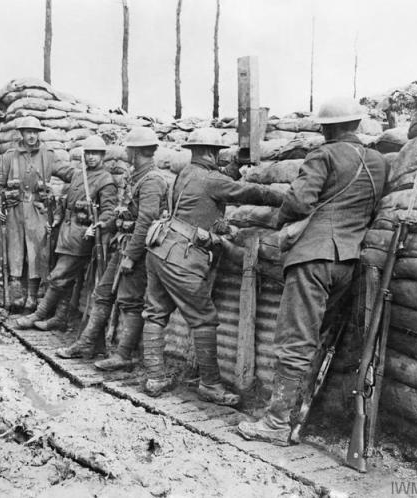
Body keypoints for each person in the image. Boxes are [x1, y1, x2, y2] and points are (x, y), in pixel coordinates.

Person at [237, 97, 388, 446]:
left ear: (326, 128)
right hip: (349, 262)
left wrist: (283, 221)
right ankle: (296, 416)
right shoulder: (379, 162)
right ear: (356, 124)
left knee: (295, 339)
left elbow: (299, 201)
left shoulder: (323, 155)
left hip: (312, 258)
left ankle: (275, 424)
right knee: (317, 337)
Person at [141, 128, 285, 400]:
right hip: (182, 258)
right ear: (210, 152)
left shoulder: (186, 172)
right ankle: (210, 385)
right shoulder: (210, 179)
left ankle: (154, 379)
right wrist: (283, 198)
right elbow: (247, 192)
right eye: (217, 154)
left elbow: (216, 182)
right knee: (204, 319)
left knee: (156, 314)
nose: (218, 158)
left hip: (159, 249)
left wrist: (235, 165)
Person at [55, 127, 169, 370]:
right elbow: (128, 212)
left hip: (139, 251)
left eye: (129, 149)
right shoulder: (137, 176)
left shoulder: (152, 181)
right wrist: (109, 223)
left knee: (130, 301)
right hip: (124, 244)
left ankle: (124, 354)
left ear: (136, 152)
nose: (126, 152)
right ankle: (86, 343)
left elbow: (146, 221)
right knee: (103, 292)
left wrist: (131, 256)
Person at [13, 135, 117, 330]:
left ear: (103, 156)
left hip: (82, 237)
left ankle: (39, 313)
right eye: (89, 153)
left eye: (96, 153)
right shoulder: (80, 175)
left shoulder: (106, 181)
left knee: (59, 275)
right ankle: (60, 318)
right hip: (65, 233)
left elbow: (109, 211)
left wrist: (99, 224)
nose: (92, 157)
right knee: (68, 279)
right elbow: (62, 187)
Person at [0, 117, 67, 313]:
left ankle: (33, 298)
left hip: (37, 210)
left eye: (35, 132)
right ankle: (21, 296)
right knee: (16, 254)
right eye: (28, 132)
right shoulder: (9, 156)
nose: (32, 136)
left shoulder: (47, 155)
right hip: (15, 211)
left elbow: (64, 171)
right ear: (21, 134)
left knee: (36, 255)